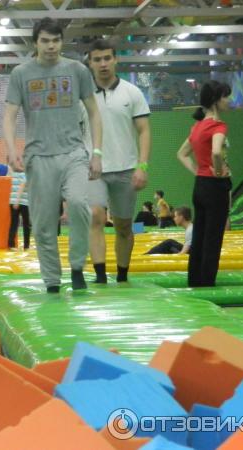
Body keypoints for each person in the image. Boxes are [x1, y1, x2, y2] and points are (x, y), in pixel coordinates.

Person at [3, 17, 103, 293]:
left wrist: (96, 152)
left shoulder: (77, 70)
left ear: (62, 42)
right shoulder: (21, 74)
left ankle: (77, 267)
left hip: (73, 153)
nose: (51, 46)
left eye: (56, 40)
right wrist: (10, 148)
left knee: (79, 203)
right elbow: (9, 115)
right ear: (35, 43)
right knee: (43, 224)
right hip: (38, 156)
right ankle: (52, 280)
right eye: (45, 41)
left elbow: (94, 113)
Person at [86, 39, 152, 284]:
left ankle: (122, 275)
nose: (103, 64)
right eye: (97, 59)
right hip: (93, 169)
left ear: (115, 60)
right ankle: (100, 276)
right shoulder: (83, 95)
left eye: (107, 58)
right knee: (96, 216)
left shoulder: (132, 92)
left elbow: (144, 130)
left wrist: (142, 166)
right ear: (90, 63)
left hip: (126, 169)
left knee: (123, 225)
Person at [177, 80, 232, 287]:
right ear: (216, 100)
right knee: (213, 238)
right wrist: (217, 171)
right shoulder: (218, 126)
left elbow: (181, 154)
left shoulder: (197, 126)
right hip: (216, 187)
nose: (228, 100)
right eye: (226, 96)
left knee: (199, 235)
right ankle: (207, 282)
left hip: (200, 186)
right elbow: (216, 152)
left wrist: (199, 171)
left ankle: (195, 280)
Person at [8, 169, 31, 250]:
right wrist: (17, 200)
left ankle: (11, 245)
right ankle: (26, 246)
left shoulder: (12, 174)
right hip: (23, 202)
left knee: (13, 223)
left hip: (12, 201)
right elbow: (22, 185)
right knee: (26, 224)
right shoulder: (26, 174)